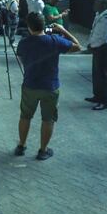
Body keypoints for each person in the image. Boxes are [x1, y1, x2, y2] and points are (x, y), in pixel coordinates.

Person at [14, 13, 81, 161]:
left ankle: (22, 145)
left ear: (29, 26)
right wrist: (63, 30)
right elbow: (78, 46)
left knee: (25, 116)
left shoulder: (24, 43)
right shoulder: (55, 41)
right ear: (44, 24)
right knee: (48, 119)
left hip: (29, 85)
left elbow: (21, 59)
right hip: (50, 86)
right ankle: (43, 150)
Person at [86, 0, 107, 111]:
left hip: (104, 48)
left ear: (104, 5)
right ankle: (97, 96)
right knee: (96, 74)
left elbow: (103, 37)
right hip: (97, 48)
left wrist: (92, 46)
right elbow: (94, 32)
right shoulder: (99, 15)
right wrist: (91, 44)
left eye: (97, 3)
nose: (94, 5)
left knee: (103, 76)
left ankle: (104, 101)